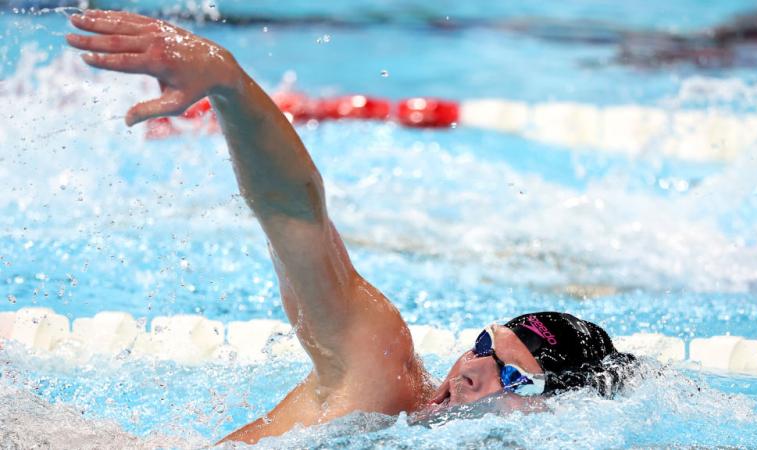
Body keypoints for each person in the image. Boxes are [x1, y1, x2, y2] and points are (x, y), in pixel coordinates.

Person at [65, 10, 635, 445]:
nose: (470, 371)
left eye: (511, 376)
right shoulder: (378, 376)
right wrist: (229, 84)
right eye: (484, 346)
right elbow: (295, 213)